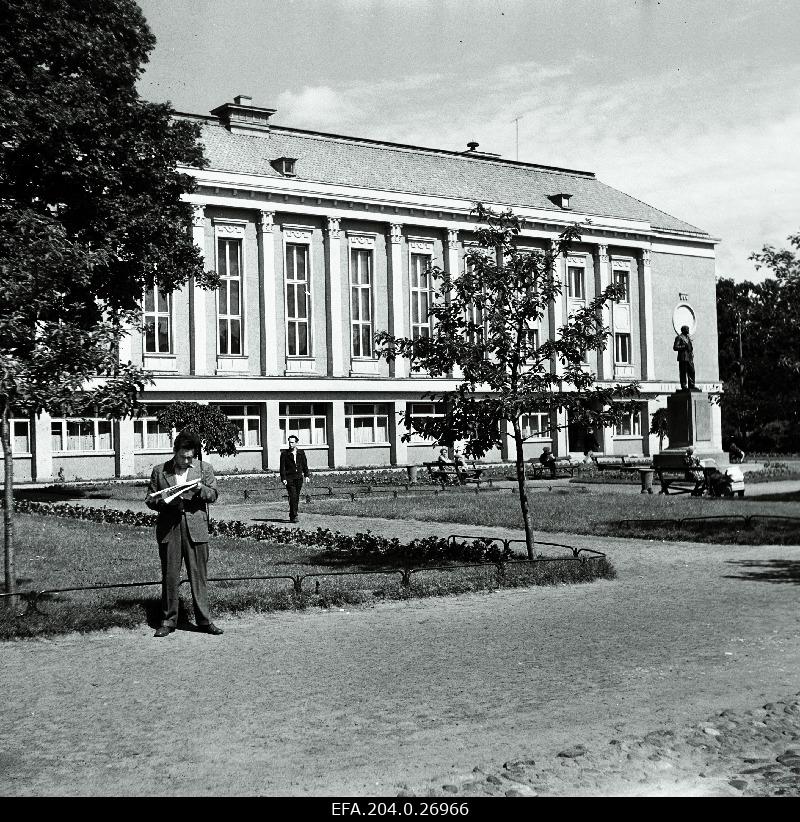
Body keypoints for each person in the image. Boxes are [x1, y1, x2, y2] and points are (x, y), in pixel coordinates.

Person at [145, 430, 222, 638]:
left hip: (196, 529)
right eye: (183, 456)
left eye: (191, 456)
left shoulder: (204, 468)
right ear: (175, 452)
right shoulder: (160, 471)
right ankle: (168, 621)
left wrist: (199, 489)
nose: (187, 460)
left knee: (199, 576)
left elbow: (213, 494)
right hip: (170, 529)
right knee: (170, 576)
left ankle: (204, 620)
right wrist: (161, 500)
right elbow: (149, 499)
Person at [280, 434, 311, 522]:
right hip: (289, 478)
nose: (290, 444)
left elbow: (305, 465)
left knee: (296, 497)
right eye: (289, 442)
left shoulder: (301, 453)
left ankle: (292, 514)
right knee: (293, 496)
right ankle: (294, 515)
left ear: (296, 443)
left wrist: (307, 475)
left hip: (299, 478)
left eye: (292, 443)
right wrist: (284, 478)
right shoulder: (284, 454)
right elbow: (282, 467)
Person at [673, 324, 699, 391]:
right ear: (683, 330)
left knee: (692, 371)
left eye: (688, 329)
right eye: (687, 329)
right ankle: (684, 385)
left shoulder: (688, 338)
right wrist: (683, 347)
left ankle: (692, 385)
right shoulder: (679, 337)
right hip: (683, 358)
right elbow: (675, 347)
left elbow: (690, 347)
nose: (688, 331)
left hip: (689, 358)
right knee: (683, 372)